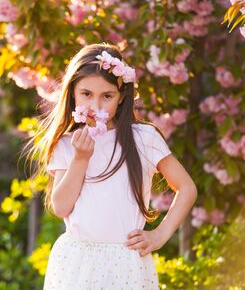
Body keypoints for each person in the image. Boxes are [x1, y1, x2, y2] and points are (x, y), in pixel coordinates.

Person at [26, 43, 197, 289]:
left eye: (107, 96)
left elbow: (187, 187)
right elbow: (61, 206)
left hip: (125, 262)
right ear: (73, 93)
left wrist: (160, 234)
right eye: (86, 94)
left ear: (122, 97)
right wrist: (80, 159)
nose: (95, 106)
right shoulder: (67, 144)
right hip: (78, 262)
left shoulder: (144, 138)